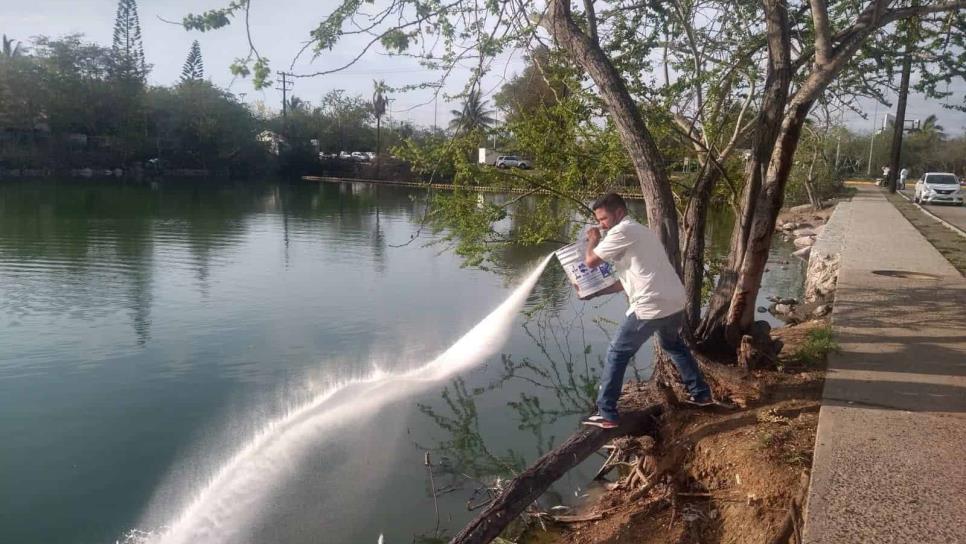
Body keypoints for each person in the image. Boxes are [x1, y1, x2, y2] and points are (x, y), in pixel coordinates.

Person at [579, 193, 713, 429]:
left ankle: (607, 413)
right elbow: (626, 280)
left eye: (603, 219)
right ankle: (701, 394)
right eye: (598, 220)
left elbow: (590, 260)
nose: (600, 224)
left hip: (651, 305)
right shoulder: (639, 233)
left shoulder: (622, 231)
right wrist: (595, 292)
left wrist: (592, 239)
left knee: (616, 353)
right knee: (673, 345)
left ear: (619, 213)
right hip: (674, 301)